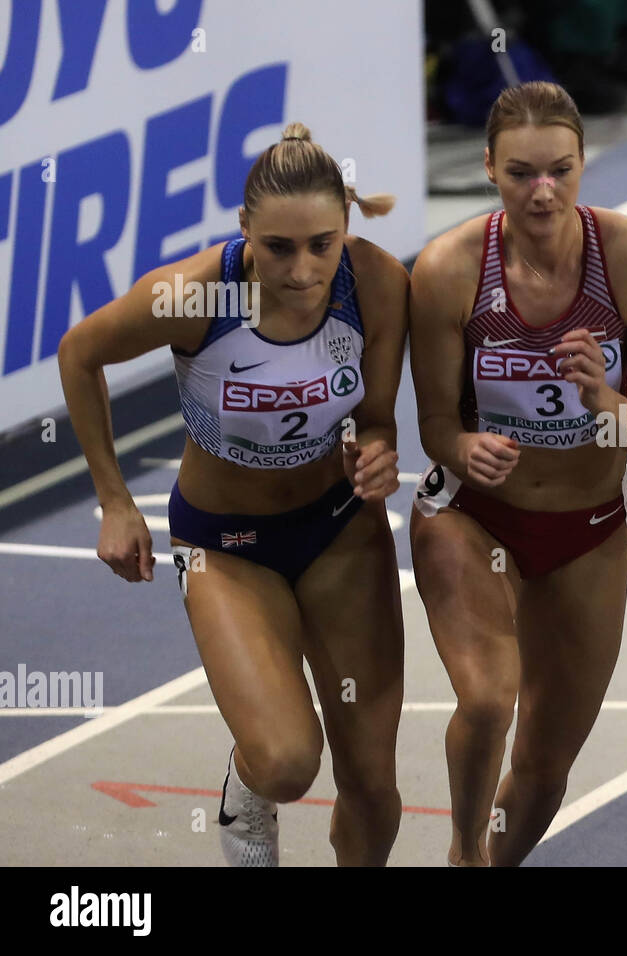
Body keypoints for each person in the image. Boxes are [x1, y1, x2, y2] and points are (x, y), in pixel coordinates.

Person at [57, 124, 411, 867]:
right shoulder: (192, 296)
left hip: (339, 531)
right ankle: (245, 787)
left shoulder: (376, 282)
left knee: (374, 784)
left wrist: (378, 450)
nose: (304, 269)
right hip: (221, 546)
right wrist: (115, 501)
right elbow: (79, 353)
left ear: (345, 227)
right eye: (279, 248)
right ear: (244, 228)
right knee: (286, 763)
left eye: (322, 243)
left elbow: (375, 417)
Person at [408, 81, 627, 866]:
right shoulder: (448, 270)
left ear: (584, 164)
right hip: (473, 516)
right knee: (490, 698)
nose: (543, 190)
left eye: (560, 169)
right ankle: (464, 855)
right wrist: (461, 450)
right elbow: (433, 425)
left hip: (589, 528)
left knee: (545, 769)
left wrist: (604, 399)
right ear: (489, 168)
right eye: (522, 172)